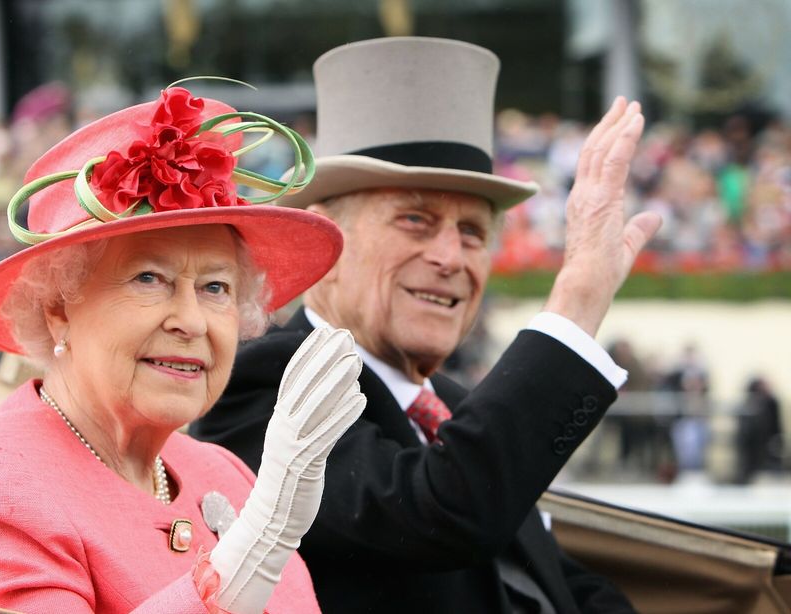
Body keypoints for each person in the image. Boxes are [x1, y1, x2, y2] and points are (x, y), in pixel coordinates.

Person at [191, 37, 661, 612]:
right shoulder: (268, 383)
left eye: (471, 232)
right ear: (327, 245)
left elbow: (560, 588)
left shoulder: (456, 411)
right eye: (416, 219)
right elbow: (440, 512)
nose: (451, 257)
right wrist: (578, 298)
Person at [0, 85, 368, 613]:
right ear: (59, 308)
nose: (191, 322)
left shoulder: (224, 474)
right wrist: (252, 549)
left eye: (215, 288)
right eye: (149, 278)